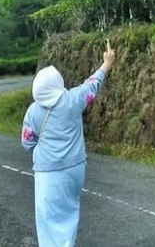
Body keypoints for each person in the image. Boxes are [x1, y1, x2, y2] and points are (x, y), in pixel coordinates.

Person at [22, 39, 115, 247]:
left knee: (48, 220)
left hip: (49, 173)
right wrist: (107, 63)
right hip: (75, 169)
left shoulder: (34, 111)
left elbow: (27, 142)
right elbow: (92, 84)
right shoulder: (73, 100)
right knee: (69, 213)